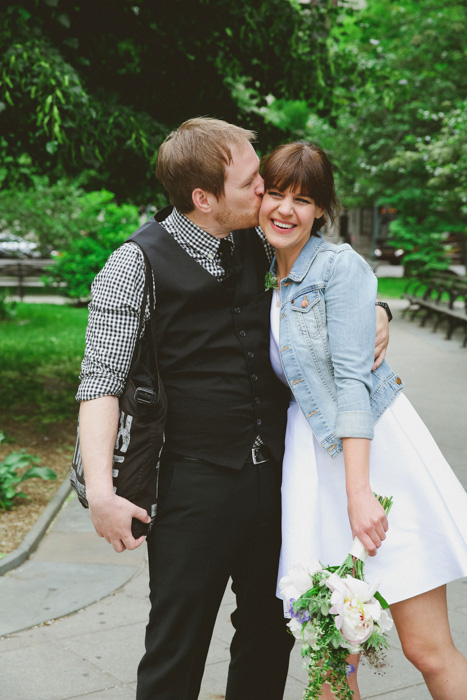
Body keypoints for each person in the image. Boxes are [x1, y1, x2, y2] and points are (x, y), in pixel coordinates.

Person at [76, 118, 390, 700]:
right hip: (191, 484)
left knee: (272, 635)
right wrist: (101, 491)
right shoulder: (134, 265)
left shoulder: (260, 241)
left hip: (277, 477)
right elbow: (101, 380)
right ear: (204, 197)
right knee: (176, 643)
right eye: (252, 184)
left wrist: (380, 313)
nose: (265, 196)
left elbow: (329, 288)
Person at [258, 140, 467, 700]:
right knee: (330, 657)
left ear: (323, 209)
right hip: (310, 462)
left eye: (302, 200)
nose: (284, 209)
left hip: (372, 455)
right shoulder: (254, 267)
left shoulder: (339, 267)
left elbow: (351, 382)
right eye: (275, 193)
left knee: (427, 649)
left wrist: (359, 493)